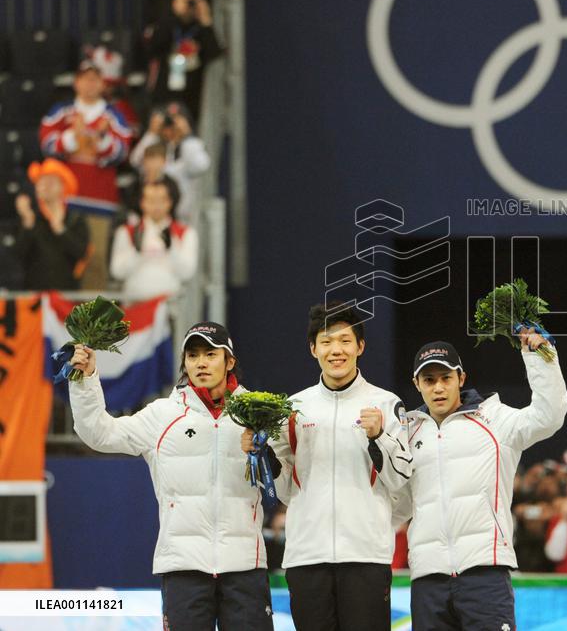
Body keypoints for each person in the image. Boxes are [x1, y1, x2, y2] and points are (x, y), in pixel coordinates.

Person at [68, 322, 275, 630]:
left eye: (210, 354)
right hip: (183, 569)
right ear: (185, 363)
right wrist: (85, 380)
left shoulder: (259, 414)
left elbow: (284, 479)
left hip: (244, 565)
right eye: (192, 355)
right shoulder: (162, 415)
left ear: (229, 361)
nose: (201, 363)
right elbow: (99, 433)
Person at [395, 330, 567, 630]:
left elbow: (548, 417)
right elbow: (397, 504)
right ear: (416, 384)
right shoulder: (406, 433)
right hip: (427, 578)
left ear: (461, 379)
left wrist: (541, 358)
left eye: (446, 378)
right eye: (429, 380)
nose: (438, 388)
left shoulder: (495, 419)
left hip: (484, 573)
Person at [258, 302, 412, 631]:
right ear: (313, 349)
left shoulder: (386, 404)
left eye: (344, 340)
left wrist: (380, 435)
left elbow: (399, 479)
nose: (336, 350)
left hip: (366, 555)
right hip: (306, 556)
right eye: (326, 342)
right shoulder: (293, 408)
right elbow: (286, 490)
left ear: (360, 346)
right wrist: (267, 458)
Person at [39, 59, 132, 288]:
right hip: (64, 199)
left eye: (95, 79)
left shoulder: (114, 115)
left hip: (99, 200)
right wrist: (72, 138)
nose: (90, 84)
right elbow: (46, 143)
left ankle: (92, 321)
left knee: (95, 259)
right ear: (76, 82)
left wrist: (98, 141)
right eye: (85, 79)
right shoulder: (62, 111)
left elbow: (122, 151)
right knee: (59, 256)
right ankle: (60, 316)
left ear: (103, 83)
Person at [145, 0, 223, 122]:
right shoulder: (168, 24)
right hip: (164, 93)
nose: (189, 2)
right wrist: (174, 14)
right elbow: (154, 46)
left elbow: (214, 53)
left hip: (192, 96)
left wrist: (206, 21)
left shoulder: (201, 29)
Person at [109, 178, 198, 301]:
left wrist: (172, 249)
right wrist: (136, 252)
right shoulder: (126, 232)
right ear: (142, 203)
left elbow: (187, 273)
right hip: (136, 304)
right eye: (151, 201)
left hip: (170, 304)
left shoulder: (185, 233)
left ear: (170, 202)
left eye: (161, 200)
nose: (157, 206)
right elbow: (117, 272)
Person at [14, 159, 90, 290]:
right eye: (40, 182)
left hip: (66, 295)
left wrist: (61, 230)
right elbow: (18, 257)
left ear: (63, 186)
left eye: (50, 182)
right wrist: (27, 224)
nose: (44, 186)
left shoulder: (75, 219)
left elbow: (82, 254)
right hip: (34, 296)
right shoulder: (31, 218)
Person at [130, 101, 211, 223]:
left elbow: (201, 166)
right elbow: (136, 161)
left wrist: (187, 135)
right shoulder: (155, 146)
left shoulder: (191, 146)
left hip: (183, 218)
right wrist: (151, 133)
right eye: (167, 125)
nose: (171, 129)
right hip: (152, 216)